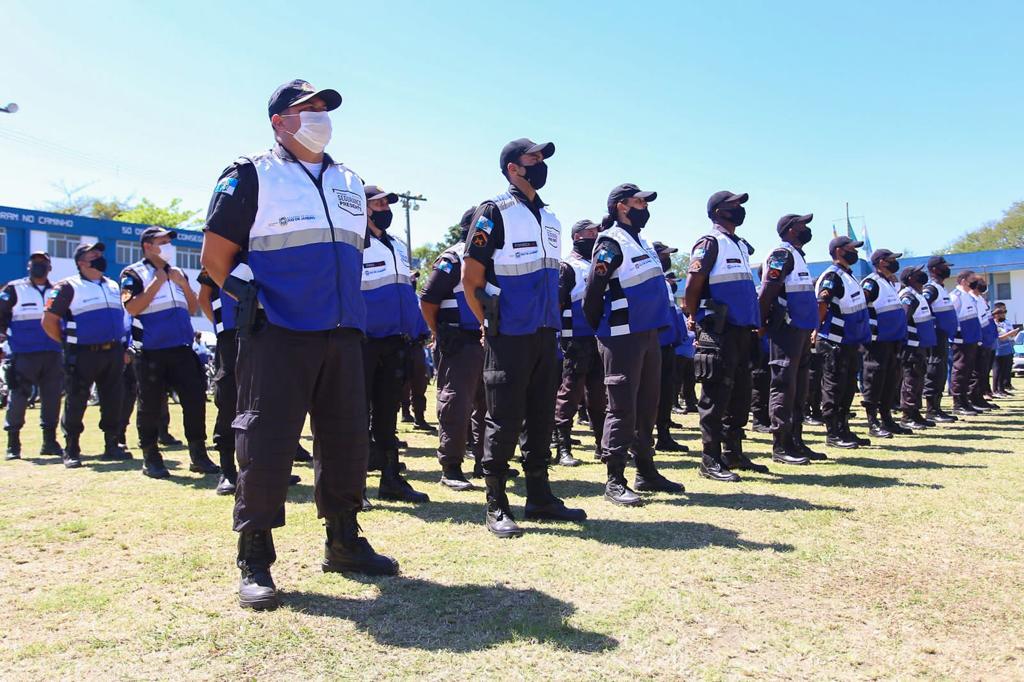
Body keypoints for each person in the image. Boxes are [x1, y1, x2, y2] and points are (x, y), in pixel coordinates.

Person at [201, 79, 398, 610]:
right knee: (265, 444)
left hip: (342, 329)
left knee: (346, 439)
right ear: (278, 122)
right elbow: (215, 259)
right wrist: (260, 301)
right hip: (279, 331)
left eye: (323, 108)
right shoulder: (250, 175)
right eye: (306, 108)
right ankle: (255, 554)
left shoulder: (349, 180)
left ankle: (344, 540)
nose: (318, 115)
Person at [462, 137, 586, 538]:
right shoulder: (494, 211)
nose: (540, 163)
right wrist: (489, 322)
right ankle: (496, 504)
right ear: (514, 167)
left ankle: (540, 497)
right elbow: (471, 277)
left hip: (545, 331)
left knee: (539, 416)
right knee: (503, 419)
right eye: (533, 158)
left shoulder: (550, 218)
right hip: (509, 334)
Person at [583, 185, 684, 504]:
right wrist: (602, 330)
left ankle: (646, 470)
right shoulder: (612, 241)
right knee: (622, 406)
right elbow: (593, 292)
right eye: (639, 201)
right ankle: (614, 478)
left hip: (649, 334)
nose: (645, 207)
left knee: (647, 406)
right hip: (621, 335)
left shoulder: (642, 242)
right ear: (621, 206)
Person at [121, 227, 219, 479]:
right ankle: (151, 457)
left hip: (182, 350)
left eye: (168, 242)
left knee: (195, 402)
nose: (167, 246)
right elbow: (132, 308)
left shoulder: (177, 272)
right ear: (147, 246)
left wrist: (182, 283)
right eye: (162, 242)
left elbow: (193, 306)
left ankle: (198, 455)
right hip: (151, 353)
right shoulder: (133, 273)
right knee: (150, 406)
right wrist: (157, 282)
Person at [684, 191, 766, 482]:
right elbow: (693, 283)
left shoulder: (740, 245)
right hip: (718, 330)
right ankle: (710, 458)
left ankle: (734, 452)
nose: (739, 209)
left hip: (743, 331)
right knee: (716, 394)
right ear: (719, 210)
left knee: (741, 393)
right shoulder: (710, 242)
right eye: (734, 205)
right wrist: (692, 316)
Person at [360, 184, 430, 504]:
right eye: (378, 203)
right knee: (355, 414)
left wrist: (418, 328)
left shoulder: (398, 245)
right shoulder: (353, 244)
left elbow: (405, 292)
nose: (385, 208)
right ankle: (352, 486)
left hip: (396, 342)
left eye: (387, 203)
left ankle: (390, 480)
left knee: (387, 414)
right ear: (363, 208)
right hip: (363, 342)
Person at [41, 243, 129, 465]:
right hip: (82, 354)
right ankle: (71, 449)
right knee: (76, 399)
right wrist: (66, 343)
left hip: (113, 352)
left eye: (100, 253)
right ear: (81, 262)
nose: (99, 256)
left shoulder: (112, 285)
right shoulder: (68, 286)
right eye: (93, 254)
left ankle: (112, 444)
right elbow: (49, 320)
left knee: (113, 400)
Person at [419, 207, 488, 490]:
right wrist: (439, 332)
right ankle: (451, 468)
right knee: (455, 404)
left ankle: (486, 463)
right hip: (460, 343)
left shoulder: (491, 257)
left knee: (489, 407)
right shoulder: (453, 257)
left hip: (488, 342)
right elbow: (427, 298)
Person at [757, 213, 822, 465]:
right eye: (803, 224)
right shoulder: (781, 254)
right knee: (784, 385)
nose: (806, 229)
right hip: (786, 329)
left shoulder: (798, 256)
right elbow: (768, 290)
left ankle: (796, 440)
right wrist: (760, 322)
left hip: (802, 329)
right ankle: (781, 445)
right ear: (791, 229)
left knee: (799, 386)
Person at [0, 252, 65, 462]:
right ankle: (13, 444)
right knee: (18, 398)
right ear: (28, 265)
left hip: (53, 353)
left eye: (43, 263)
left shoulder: (58, 290)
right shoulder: (14, 288)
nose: (39, 266)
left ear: (50, 267)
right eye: (35, 263)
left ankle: (49, 442)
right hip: (24, 354)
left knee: (52, 399)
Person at [553, 219, 607, 466]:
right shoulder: (567, 266)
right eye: (591, 233)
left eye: (598, 232)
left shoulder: (596, 265)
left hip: (600, 337)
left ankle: (601, 445)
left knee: (599, 395)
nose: (596, 236)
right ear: (577, 237)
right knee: (570, 393)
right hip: (576, 339)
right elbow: (557, 303)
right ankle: (563, 447)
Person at [815, 237, 871, 449]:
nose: (854, 252)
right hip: (834, 341)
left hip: (850, 341)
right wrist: (817, 330)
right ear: (838, 251)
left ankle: (844, 427)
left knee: (848, 388)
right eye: (850, 248)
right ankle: (833, 432)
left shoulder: (849, 276)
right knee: (834, 387)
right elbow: (822, 303)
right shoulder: (832, 275)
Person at [860, 249, 912, 437]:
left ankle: (887, 418)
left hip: (893, 340)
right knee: (874, 380)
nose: (894, 262)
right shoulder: (871, 282)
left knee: (890, 381)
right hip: (877, 341)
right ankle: (872, 421)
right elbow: (862, 306)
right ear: (881, 262)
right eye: (891, 259)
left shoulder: (889, 283)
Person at [652, 241, 688, 453]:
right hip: (654, 344)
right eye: (664, 255)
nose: (668, 259)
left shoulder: (665, 282)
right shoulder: (652, 280)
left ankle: (664, 436)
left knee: (666, 392)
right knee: (651, 393)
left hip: (669, 345)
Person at [896, 265, 938, 428]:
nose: (923, 275)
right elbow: (904, 318)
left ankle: (915, 412)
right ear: (911, 278)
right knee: (911, 380)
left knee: (918, 379)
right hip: (911, 346)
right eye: (918, 273)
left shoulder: (918, 295)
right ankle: (907, 415)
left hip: (920, 344)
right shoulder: (908, 295)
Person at [922, 256, 959, 423]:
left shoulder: (941, 288)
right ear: (935, 269)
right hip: (935, 336)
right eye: (944, 267)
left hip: (943, 337)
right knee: (934, 369)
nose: (947, 270)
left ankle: (937, 407)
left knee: (941, 371)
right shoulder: (931, 288)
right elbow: (923, 306)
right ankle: (931, 409)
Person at [949, 270, 983, 415]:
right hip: (961, 339)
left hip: (971, 339)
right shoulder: (956, 296)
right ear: (963, 280)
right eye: (972, 280)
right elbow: (952, 318)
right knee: (960, 370)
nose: (975, 283)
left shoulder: (968, 296)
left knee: (968, 370)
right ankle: (958, 403)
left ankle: (965, 400)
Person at [969, 275, 999, 410]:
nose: (984, 285)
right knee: (977, 372)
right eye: (981, 283)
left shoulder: (981, 299)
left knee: (984, 372)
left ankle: (980, 397)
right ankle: (974, 398)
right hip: (979, 341)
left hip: (988, 341)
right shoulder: (972, 299)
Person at [992, 303, 1016, 396]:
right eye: (1001, 312)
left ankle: (1002, 389)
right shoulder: (994, 323)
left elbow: (1010, 335)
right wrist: (1010, 334)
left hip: (1007, 349)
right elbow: (1000, 337)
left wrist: (1012, 333)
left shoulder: (1006, 322)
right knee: (997, 371)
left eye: (1005, 312)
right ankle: (995, 390)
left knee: (1004, 370)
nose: (1004, 314)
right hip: (998, 350)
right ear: (996, 314)